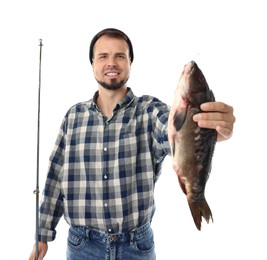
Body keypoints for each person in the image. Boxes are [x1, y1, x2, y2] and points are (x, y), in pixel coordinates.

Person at [29, 28, 236, 260]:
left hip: (136, 247)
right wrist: (42, 235)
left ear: (130, 62)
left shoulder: (149, 111)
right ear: (92, 64)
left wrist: (211, 130)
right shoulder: (73, 116)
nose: (112, 63)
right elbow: (56, 176)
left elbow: (176, 135)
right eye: (103, 56)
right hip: (82, 246)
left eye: (120, 56)